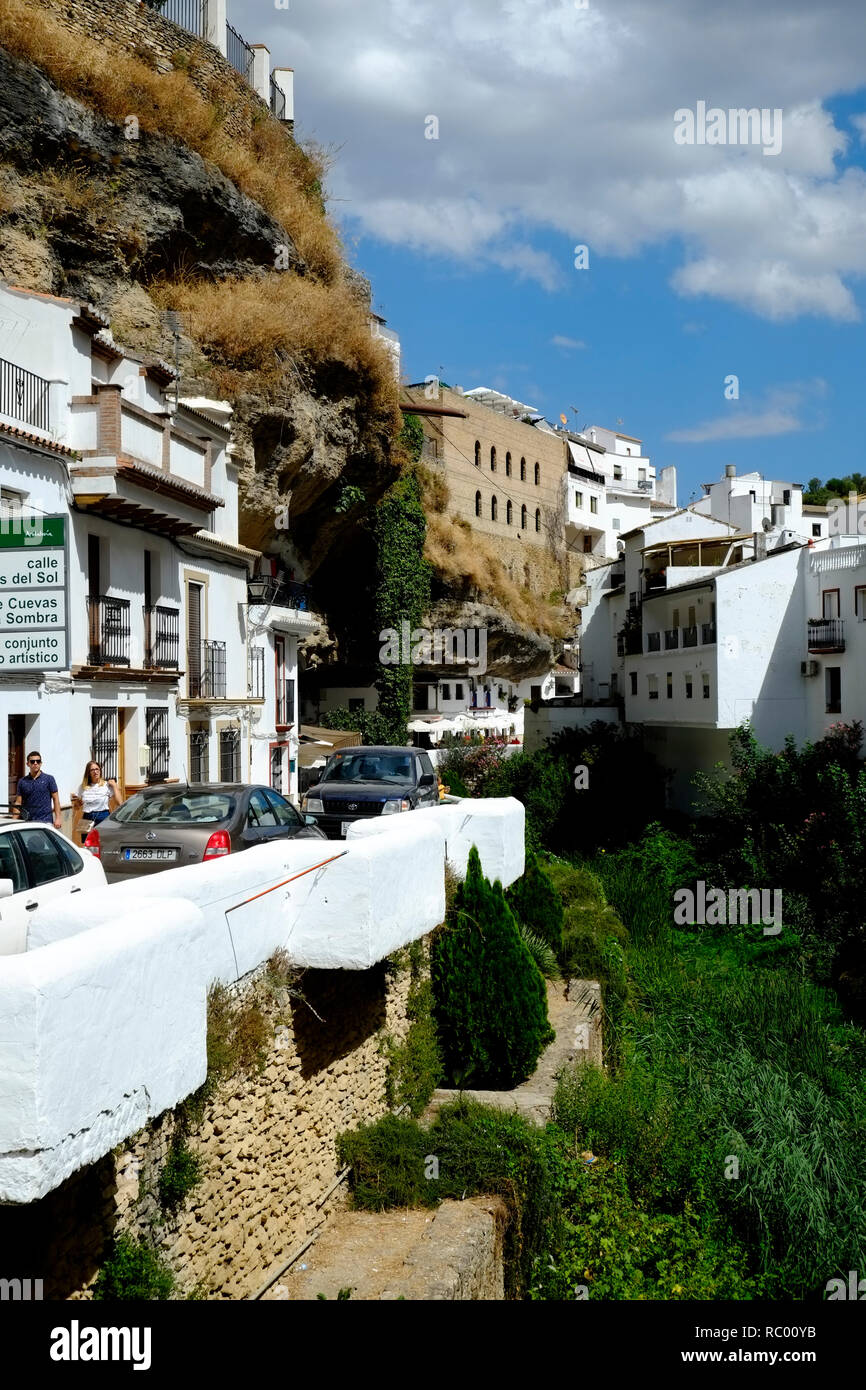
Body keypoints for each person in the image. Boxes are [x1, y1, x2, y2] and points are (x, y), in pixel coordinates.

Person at [71, 760, 122, 842]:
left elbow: (119, 802)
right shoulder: (83, 787)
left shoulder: (106, 785)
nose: (95, 772)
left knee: (104, 842)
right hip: (87, 817)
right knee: (87, 844)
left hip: (102, 816)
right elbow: (76, 807)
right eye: (92, 770)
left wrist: (115, 786)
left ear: (100, 771)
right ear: (88, 773)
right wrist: (78, 803)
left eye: (97, 769)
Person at [13, 752, 62, 828]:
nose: (35, 763)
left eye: (38, 761)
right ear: (28, 764)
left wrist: (58, 818)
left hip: (45, 821)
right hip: (28, 822)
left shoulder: (49, 779)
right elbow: (18, 802)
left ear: (41, 763)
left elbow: (56, 799)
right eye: (32, 761)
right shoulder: (22, 781)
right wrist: (14, 822)